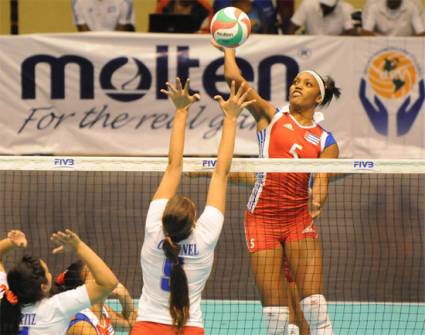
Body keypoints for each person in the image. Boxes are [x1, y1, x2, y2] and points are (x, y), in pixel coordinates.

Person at [214, 42, 341, 335]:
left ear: (318, 97)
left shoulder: (326, 141)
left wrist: (317, 200)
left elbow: (321, 180)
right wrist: (228, 49)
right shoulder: (271, 117)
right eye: (296, 81)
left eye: (307, 84)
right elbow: (236, 81)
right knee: (276, 313)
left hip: (298, 219)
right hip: (261, 219)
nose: (298, 86)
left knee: (315, 306)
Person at [130, 77, 254, 335]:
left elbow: (173, 166)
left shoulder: (154, 227)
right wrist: (231, 119)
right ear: (194, 221)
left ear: (164, 217)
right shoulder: (206, 235)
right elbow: (221, 173)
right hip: (189, 328)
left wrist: (181, 110)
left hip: (146, 327)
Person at [0, 229, 118, 334]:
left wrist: (10, 242)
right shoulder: (56, 308)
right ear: (44, 286)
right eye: (48, 272)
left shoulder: (4, 301)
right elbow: (108, 283)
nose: (50, 274)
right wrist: (78, 247)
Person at [53, 261, 136, 335]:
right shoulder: (82, 326)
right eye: (94, 274)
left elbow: (132, 324)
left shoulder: (102, 311)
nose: (103, 276)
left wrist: (125, 296)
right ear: (83, 289)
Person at [286, 0, 356, 35]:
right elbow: (291, 28)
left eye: (328, 7)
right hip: (311, 46)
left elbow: (351, 32)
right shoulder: (308, 3)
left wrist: (336, 41)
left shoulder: (346, 9)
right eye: (322, 5)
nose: (324, 9)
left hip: (336, 49)